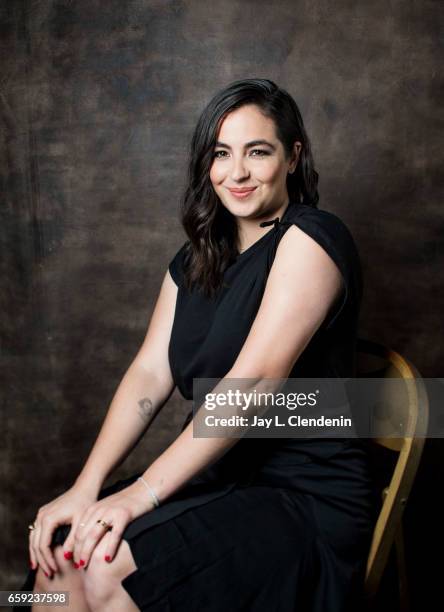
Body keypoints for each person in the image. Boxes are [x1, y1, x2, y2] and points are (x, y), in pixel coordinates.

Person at [20, 78, 377, 611]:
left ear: (293, 156)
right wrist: (86, 486)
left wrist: (137, 496)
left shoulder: (313, 239)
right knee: (63, 562)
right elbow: (149, 373)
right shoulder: (194, 260)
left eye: (258, 152)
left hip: (301, 496)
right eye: (221, 153)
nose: (236, 172)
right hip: (218, 474)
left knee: (105, 571)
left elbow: (251, 385)